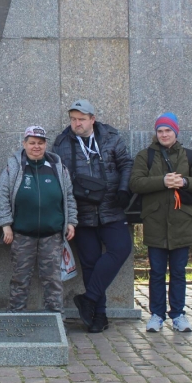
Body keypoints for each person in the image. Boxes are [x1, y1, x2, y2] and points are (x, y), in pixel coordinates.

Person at [52, 99, 133, 333]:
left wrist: (124, 189)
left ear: (92, 119)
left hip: (111, 208)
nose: (76, 123)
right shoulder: (62, 143)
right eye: (73, 119)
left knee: (121, 249)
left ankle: (88, 298)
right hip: (82, 213)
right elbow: (60, 176)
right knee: (90, 263)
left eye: (81, 119)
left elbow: (126, 164)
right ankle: (99, 315)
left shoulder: (110, 137)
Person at [129, 112, 192, 333]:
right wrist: (162, 181)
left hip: (183, 222)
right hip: (155, 222)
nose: (164, 134)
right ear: (156, 133)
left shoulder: (190, 156)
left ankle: (178, 314)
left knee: (178, 271)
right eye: (160, 131)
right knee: (156, 272)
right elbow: (135, 183)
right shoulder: (145, 156)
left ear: (176, 132)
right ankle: (156, 314)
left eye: (168, 130)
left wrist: (184, 182)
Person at [0, 125, 77, 313]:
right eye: (32, 143)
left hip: (52, 235)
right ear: (24, 144)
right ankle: (15, 318)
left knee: (53, 280)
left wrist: (71, 221)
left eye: (40, 143)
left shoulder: (57, 167)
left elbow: (69, 196)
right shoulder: (13, 167)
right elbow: (1, 196)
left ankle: (56, 320)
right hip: (22, 235)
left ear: (46, 144)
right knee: (19, 279)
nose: (36, 147)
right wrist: (6, 225)